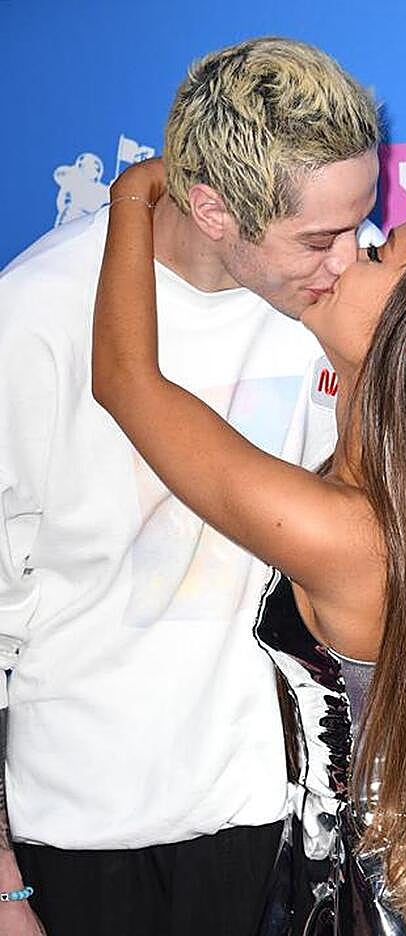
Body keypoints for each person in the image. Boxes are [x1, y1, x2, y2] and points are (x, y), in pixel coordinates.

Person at [91, 159, 406, 933]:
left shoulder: (346, 532)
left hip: (375, 902)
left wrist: (136, 190)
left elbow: (125, 382)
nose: (344, 255)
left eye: (377, 256)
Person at [0, 37, 380, 936]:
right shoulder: (38, 315)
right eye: (319, 237)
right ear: (211, 208)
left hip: (276, 819)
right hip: (83, 830)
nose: (351, 256)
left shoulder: (341, 305)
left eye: (363, 222)